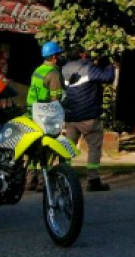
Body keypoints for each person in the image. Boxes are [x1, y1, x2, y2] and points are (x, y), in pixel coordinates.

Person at [62, 48, 115, 192]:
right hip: (89, 117)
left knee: (68, 148)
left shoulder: (64, 69)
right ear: (81, 55)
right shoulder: (88, 68)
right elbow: (107, 78)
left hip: (70, 117)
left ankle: (63, 177)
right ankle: (93, 180)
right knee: (94, 147)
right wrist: (109, 65)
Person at [25, 41, 66, 192]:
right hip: (45, 114)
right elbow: (56, 99)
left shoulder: (38, 70)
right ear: (55, 57)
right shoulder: (53, 73)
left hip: (32, 112)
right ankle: (43, 181)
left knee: (33, 148)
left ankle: (30, 179)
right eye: (59, 55)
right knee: (47, 148)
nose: (61, 57)